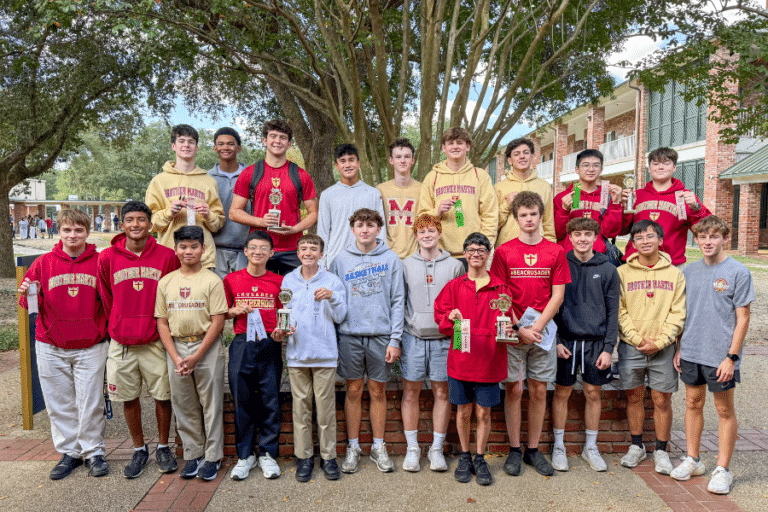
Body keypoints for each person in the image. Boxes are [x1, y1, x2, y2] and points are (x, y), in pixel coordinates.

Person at [18, 209, 109, 480]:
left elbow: (110, 300)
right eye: (67, 230)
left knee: (91, 402)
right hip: (51, 343)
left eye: (79, 230)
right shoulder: (43, 263)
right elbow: (29, 304)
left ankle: (93, 451)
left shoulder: (100, 262)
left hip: (90, 344)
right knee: (59, 402)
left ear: (88, 232)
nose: (73, 235)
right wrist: (26, 293)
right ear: (58, 232)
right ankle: (70, 452)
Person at [96, 201, 181, 478]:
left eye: (141, 219)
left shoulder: (167, 256)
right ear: (121, 224)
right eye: (130, 219)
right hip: (122, 342)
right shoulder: (107, 257)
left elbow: (172, 295)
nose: (136, 224)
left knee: (163, 396)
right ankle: (138, 448)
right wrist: (120, 323)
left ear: (150, 224)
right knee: (127, 396)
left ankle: (164, 446)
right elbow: (106, 296)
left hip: (155, 340)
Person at [671, 216, 754, 494]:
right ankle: (693, 459)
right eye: (703, 237)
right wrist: (680, 348)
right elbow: (683, 314)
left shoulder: (738, 272)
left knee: (724, 410)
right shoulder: (688, 272)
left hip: (721, 356)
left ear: (724, 239)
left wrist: (732, 357)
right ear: (696, 239)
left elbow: (743, 318)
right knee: (693, 403)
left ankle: (722, 469)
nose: (708, 242)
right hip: (692, 351)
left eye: (714, 237)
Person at [490, 191, 570, 478]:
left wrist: (536, 328)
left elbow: (558, 295)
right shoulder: (504, 252)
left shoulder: (555, 251)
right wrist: (519, 328)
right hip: (513, 331)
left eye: (533, 214)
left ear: (540, 215)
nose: (528, 219)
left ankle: (533, 449)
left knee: (538, 390)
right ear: (516, 218)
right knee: (514, 389)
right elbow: (500, 295)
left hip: (543, 332)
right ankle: (514, 448)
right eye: (523, 215)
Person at [433, 232, 510, 486]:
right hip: (461, 358)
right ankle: (465, 456)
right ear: (465, 254)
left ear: (488, 254)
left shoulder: (501, 289)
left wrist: (510, 330)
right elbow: (439, 314)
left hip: (490, 360)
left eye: (481, 250)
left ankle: (480, 457)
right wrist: (449, 317)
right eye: (471, 250)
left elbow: (508, 321)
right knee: (463, 411)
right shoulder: (454, 287)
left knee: (484, 413)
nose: (476, 254)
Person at [330, 208, 404, 474]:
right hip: (349, 335)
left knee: (377, 391)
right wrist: (335, 340)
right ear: (352, 230)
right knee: (352, 390)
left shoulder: (391, 259)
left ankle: (378, 446)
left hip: (381, 335)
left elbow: (398, 301)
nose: (365, 230)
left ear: (378, 229)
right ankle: (353, 447)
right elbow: (334, 301)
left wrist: (395, 339)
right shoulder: (340, 260)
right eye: (360, 225)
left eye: (370, 225)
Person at [155, 226, 227, 481]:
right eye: (183, 246)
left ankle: (213, 456)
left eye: (194, 246)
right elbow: (162, 322)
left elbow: (218, 320)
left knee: (211, 404)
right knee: (184, 404)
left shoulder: (212, 280)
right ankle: (193, 454)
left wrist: (197, 357)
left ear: (203, 249)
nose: (188, 251)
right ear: (175, 249)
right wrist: (175, 356)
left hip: (206, 347)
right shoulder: (166, 282)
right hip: (177, 347)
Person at [550, 217, 620, 473]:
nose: (582, 239)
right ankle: (559, 446)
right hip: (566, 341)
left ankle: (590, 446)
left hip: (595, 342)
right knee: (562, 392)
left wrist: (608, 348)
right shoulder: (560, 264)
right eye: (577, 234)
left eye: (587, 234)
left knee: (593, 392)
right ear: (569, 237)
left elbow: (613, 312)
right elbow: (551, 305)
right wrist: (556, 341)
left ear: (595, 237)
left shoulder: (608, 269)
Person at [617, 219, 686, 475]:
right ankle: (637, 446)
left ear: (660, 240)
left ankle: (661, 450)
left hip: (663, 348)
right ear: (633, 243)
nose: (645, 241)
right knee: (634, 397)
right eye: (639, 238)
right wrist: (637, 340)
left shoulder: (675, 274)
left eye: (650, 236)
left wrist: (660, 341)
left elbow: (678, 312)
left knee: (661, 399)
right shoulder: (622, 273)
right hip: (631, 347)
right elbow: (619, 310)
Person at [223, 230, 291, 481]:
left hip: (270, 343)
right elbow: (222, 311)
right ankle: (245, 455)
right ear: (245, 251)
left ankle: (267, 454)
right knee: (242, 399)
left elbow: (285, 313)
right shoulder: (231, 279)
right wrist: (234, 310)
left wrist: (283, 330)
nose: (258, 252)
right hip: (242, 343)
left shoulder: (280, 281)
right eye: (253, 247)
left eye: (264, 248)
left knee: (270, 399)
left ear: (271, 253)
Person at [400, 214, 464, 472]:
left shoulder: (455, 266)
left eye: (431, 230)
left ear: (439, 233)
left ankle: (436, 449)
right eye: (422, 231)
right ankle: (412, 449)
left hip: (443, 339)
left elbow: (461, 306)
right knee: (410, 392)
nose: (427, 235)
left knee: (441, 393)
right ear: (416, 236)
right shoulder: (405, 265)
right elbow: (400, 302)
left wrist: (459, 342)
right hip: (413, 337)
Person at [282, 234, 348, 482]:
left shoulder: (332, 280)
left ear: (321, 254)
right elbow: (284, 312)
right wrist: (284, 329)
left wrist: (332, 296)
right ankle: (304, 457)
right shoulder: (289, 279)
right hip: (297, 354)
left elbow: (341, 316)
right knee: (300, 409)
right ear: (298, 253)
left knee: (325, 410)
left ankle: (328, 457)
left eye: (313, 248)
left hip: (324, 354)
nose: (308, 252)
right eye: (304, 248)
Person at [230, 120, 318, 276]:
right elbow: (234, 212)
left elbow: (314, 213)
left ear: (289, 144)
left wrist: (295, 229)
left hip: (292, 250)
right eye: (273, 136)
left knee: (292, 292)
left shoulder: (301, 175)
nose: (277, 141)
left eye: (283, 138)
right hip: (260, 249)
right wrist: (261, 222)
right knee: (261, 292)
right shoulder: (250, 173)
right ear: (265, 140)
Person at [145, 124, 225, 270]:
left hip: (204, 260)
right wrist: (169, 213)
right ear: (173, 146)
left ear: (196, 148)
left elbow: (218, 224)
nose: (186, 145)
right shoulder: (159, 181)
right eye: (181, 141)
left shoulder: (209, 181)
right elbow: (149, 224)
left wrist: (208, 214)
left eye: (191, 142)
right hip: (170, 257)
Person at [417, 128, 498, 264]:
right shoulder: (432, 177)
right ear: (444, 148)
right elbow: (421, 218)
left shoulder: (480, 176)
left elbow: (490, 215)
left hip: (473, 253)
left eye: (460, 143)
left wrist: (482, 247)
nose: (455, 147)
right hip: (440, 254)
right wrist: (437, 211)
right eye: (451, 143)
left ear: (468, 147)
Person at [622, 147, 711, 266]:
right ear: (649, 169)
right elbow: (621, 230)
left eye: (666, 163)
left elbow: (707, 230)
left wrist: (696, 209)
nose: (661, 167)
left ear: (674, 167)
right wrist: (623, 209)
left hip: (671, 265)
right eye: (656, 164)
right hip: (636, 263)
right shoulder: (636, 196)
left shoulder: (685, 196)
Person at [318, 144, 387, 268]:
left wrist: (380, 258)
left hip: (367, 261)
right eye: (342, 161)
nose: (347, 165)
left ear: (358, 163)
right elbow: (323, 232)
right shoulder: (327, 195)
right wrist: (322, 265)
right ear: (336, 166)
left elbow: (380, 229)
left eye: (351, 160)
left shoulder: (373, 193)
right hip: (336, 260)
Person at [553, 149, 623, 254]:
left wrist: (616, 203)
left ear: (601, 169)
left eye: (596, 165)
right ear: (577, 169)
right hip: (569, 256)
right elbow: (557, 234)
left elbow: (609, 233)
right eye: (586, 165)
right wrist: (564, 210)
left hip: (597, 255)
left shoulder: (606, 195)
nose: (591, 169)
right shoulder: (566, 196)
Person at [495, 138, 556, 246]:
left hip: (537, 248)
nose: (522, 156)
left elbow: (548, 224)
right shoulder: (499, 188)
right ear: (510, 161)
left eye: (526, 153)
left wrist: (550, 247)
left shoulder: (544, 186)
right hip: (507, 248)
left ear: (532, 157)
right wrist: (506, 205)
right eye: (516, 154)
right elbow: (493, 225)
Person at [208, 127, 249, 278]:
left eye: (230, 144)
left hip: (246, 250)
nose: (225, 147)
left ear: (239, 148)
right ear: (215, 148)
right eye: (221, 144)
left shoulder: (251, 176)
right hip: (215, 249)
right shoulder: (207, 178)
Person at [377, 138, 421, 259]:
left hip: (415, 257)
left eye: (407, 157)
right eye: (398, 157)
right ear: (391, 160)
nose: (402, 160)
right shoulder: (380, 190)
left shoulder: (422, 189)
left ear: (413, 160)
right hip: (387, 256)